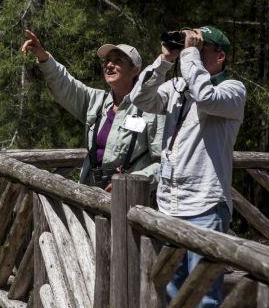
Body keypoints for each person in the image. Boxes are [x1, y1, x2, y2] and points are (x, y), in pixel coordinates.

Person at [130, 26, 246, 307]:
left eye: (198, 47)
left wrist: (190, 56)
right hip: (170, 206)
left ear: (219, 57)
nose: (188, 52)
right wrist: (165, 62)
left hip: (205, 207)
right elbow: (140, 99)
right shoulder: (178, 87)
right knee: (172, 293)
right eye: (188, 46)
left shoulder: (232, 90)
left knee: (203, 297)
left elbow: (206, 98)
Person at [22, 30, 163, 190]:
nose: (109, 65)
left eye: (118, 61)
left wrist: (131, 182)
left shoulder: (151, 108)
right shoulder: (96, 101)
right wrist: (44, 57)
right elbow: (65, 85)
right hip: (90, 196)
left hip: (129, 200)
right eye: (107, 60)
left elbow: (163, 164)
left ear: (134, 71)